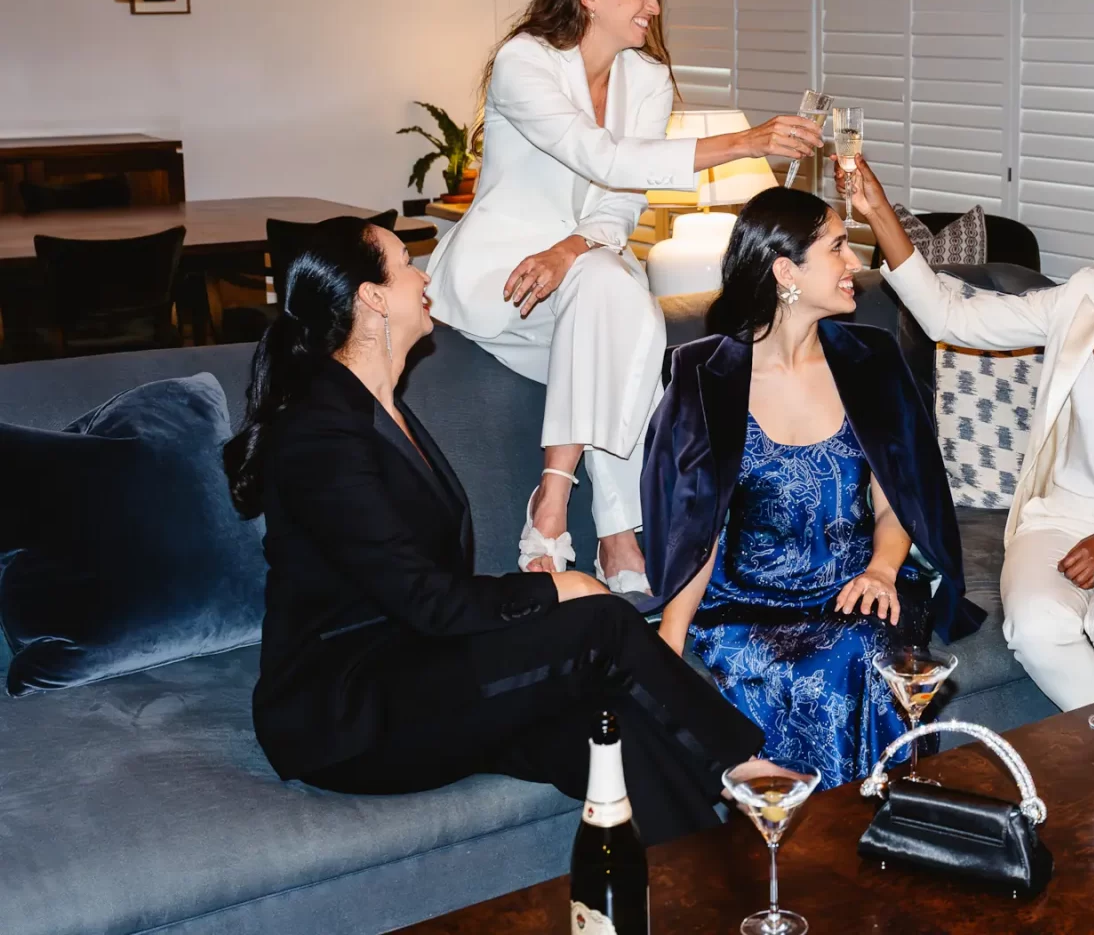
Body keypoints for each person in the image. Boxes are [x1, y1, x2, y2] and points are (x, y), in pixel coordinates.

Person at [221, 218, 765, 845]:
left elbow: (425, 589)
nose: (423, 274)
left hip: (414, 669)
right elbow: (425, 599)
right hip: (344, 712)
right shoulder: (319, 433)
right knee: (605, 624)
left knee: (611, 731)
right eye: (405, 263)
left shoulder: (380, 408)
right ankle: (743, 770)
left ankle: (715, 896)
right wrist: (556, 593)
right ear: (372, 297)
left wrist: (529, 601)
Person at [424, 0, 823, 594]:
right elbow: (599, 157)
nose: (654, 7)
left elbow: (620, 202)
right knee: (626, 320)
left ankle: (553, 506)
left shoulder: (649, 80)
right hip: (504, 283)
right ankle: (617, 529)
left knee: (610, 290)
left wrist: (570, 249)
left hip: (580, 272)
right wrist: (743, 141)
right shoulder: (525, 62)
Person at [839, 156, 1094, 718]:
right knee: (1035, 627)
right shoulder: (1082, 299)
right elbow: (948, 317)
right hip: (1057, 518)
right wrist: (876, 210)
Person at [641, 187, 985, 790]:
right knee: (793, 667)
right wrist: (667, 648)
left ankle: (876, 824)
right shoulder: (706, 376)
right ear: (785, 271)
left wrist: (882, 570)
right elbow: (696, 526)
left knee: (861, 650)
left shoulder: (870, 358)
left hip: (859, 587)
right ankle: (792, 839)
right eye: (837, 248)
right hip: (748, 603)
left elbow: (896, 496)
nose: (855, 263)